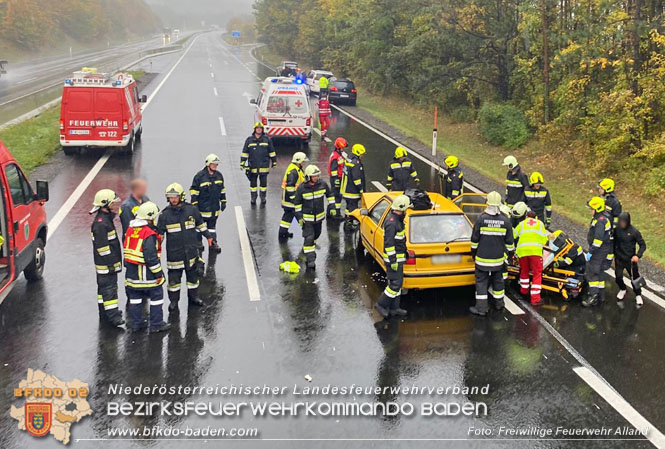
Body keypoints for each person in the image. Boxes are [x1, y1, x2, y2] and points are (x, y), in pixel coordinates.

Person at [156, 183, 212, 314]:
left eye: (175, 197)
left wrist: (209, 237)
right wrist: (155, 249)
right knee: (174, 282)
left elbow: (201, 225)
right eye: (170, 197)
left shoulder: (191, 210)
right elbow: (160, 235)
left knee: (193, 279)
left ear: (181, 196)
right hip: (174, 255)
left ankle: (194, 298)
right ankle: (174, 301)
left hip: (191, 252)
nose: (173, 200)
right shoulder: (164, 215)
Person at [123, 202, 171, 333]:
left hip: (132, 276)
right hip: (147, 276)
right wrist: (158, 274)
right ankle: (156, 324)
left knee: (135, 299)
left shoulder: (130, 230)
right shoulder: (148, 234)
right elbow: (151, 258)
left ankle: (136, 323)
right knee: (156, 298)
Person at [469, 191, 514, 316]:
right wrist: (510, 256)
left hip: (482, 259)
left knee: (481, 283)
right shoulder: (505, 221)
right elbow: (510, 244)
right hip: (498, 260)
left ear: (487, 203)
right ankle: (499, 304)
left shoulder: (481, 219)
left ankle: (481, 309)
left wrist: (473, 253)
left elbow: (474, 240)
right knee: (498, 281)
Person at [90, 189, 124, 327]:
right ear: (105, 204)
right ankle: (113, 316)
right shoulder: (101, 224)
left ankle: (104, 313)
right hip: (106, 266)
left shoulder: (104, 220)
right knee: (109, 290)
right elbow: (103, 249)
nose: (114, 205)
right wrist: (112, 264)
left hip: (105, 266)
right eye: (112, 203)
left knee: (103, 291)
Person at [375, 195, 411, 318]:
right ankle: (381, 304)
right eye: (406, 209)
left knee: (398, 284)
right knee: (394, 285)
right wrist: (393, 260)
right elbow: (389, 244)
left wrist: (404, 253)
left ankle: (395, 308)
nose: (406, 212)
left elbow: (400, 240)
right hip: (393, 260)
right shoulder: (392, 223)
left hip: (399, 258)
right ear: (402, 209)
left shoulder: (397, 221)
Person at [293, 165, 335, 269]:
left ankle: (309, 246)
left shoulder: (322, 185)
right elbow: (297, 204)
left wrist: (332, 206)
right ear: (308, 177)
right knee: (309, 238)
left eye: (317, 175)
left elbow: (330, 195)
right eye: (314, 176)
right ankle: (311, 260)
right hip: (307, 220)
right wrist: (299, 218)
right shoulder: (302, 188)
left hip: (319, 219)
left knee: (316, 235)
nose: (316, 178)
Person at [513, 206, 550, 305]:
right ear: (536, 217)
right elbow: (544, 239)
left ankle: (523, 291)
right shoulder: (540, 224)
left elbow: (513, 235)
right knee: (537, 274)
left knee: (524, 271)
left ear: (526, 217)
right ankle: (535, 299)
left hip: (523, 252)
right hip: (535, 252)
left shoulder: (521, 224)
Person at [190, 154, 226, 253]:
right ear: (208, 164)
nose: (215, 166)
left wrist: (223, 201)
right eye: (213, 164)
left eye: (216, 164)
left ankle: (213, 243)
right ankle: (198, 244)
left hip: (214, 209)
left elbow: (222, 190)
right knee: (199, 228)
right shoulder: (199, 177)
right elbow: (194, 191)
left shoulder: (219, 176)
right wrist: (194, 205)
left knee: (212, 228)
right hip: (202, 209)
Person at [582, 196, 613, 307]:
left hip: (598, 251)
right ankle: (601, 296)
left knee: (592, 272)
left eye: (591, 209)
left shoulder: (600, 221)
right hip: (603, 250)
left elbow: (598, 240)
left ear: (597, 208)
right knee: (599, 272)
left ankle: (593, 296)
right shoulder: (603, 217)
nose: (590, 210)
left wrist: (591, 251)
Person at [614, 212, 646, 307]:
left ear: (628, 222)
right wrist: (612, 253)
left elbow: (643, 245)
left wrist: (638, 256)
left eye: (624, 222)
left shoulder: (634, 232)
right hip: (619, 258)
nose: (622, 223)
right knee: (618, 277)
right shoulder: (617, 230)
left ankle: (638, 294)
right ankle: (623, 289)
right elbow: (614, 242)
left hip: (630, 261)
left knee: (634, 279)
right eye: (621, 222)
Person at [240, 122, 276, 205]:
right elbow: (245, 152)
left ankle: (263, 197)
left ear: (262, 130)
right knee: (253, 185)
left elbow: (272, 152)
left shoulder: (267, 140)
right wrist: (242, 162)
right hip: (253, 166)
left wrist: (274, 162)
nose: (259, 129)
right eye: (257, 128)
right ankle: (253, 197)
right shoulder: (249, 140)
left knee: (263, 184)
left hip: (264, 166)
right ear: (255, 129)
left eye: (260, 128)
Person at [279, 152, 308, 241]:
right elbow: (290, 187)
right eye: (303, 161)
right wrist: (294, 199)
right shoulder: (294, 172)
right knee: (300, 216)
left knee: (287, 216)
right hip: (291, 200)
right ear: (299, 162)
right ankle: (308, 234)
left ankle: (283, 233)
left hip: (288, 199)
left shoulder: (296, 168)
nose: (304, 163)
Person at [341, 143, 366, 229]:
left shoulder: (348, 159)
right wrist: (361, 189)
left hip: (346, 188)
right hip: (352, 191)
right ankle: (349, 223)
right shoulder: (356, 163)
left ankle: (348, 220)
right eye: (362, 154)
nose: (362, 155)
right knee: (353, 208)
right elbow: (357, 179)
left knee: (348, 207)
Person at [328, 137, 347, 216]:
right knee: (336, 196)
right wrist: (336, 180)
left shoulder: (338, 154)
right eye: (342, 148)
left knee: (337, 195)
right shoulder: (335, 157)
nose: (343, 149)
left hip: (337, 178)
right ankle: (335, 214)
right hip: (336, 178)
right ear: (339, 147)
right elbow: (333, 170)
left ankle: (335, 213)